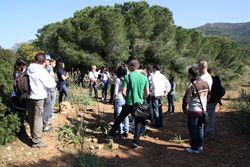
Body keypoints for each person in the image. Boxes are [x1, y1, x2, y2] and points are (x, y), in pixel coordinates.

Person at [109, 60, 149, 148]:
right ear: (137, 67)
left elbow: (123, 92)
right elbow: (147, 93)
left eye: (129, 66)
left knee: (119, 118)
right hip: (139, 103)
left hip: (129, 103)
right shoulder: (144, 78)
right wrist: (142, 98)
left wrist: (127, 99)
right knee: (138, 123)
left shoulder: (127, 77)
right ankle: (135, 142)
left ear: (132, 66)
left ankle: (111, 134)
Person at [26, 52, 56, 148]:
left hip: (28, 96)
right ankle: (36, 141)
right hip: (38, 97)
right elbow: (51, 84)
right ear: (44, 61)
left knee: (31, 117)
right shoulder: (42, 71)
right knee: (38, 119)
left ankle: (33, 136)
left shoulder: (29, 68)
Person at [182, 66, 210, 154]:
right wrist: (205, 104)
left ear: (190, 75)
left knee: (193, 129)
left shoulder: (192, 85)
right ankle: (200, 146)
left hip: (193, 110)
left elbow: (186, 98)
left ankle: (194, 148)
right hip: (203, 110)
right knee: (200, 128)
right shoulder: (205, 83)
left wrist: (184, 108)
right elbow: (209, 95)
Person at [206, 68, 225, 137]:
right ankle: (211, 130)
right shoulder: (217, 80)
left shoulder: (210, 80)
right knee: (212, 115)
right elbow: (222, 90)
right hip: (214, 101)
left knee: (206, 115)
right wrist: (218, 99)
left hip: (209, 101)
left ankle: (206, 131)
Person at [11, 58, 28, 136]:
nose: (25, 66)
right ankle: (21, 130)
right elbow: (18, 87)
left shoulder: (18, 72)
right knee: (21, 114)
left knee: (21, 113)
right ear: (19, 65)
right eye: (23, 65)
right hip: (19, 97)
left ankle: (20, 129)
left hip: (20, 96)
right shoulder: (17, 73)